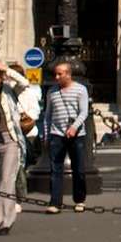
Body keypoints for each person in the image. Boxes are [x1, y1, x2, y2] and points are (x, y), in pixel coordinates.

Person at [0, 60, 36, 234]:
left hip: (10, 139)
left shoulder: (10, 90)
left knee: (6, 181)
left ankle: (4, 223)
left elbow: (25, 83)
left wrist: (7, 70)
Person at [42, 60, 91, 214]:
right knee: (55, 169)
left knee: (79, 168)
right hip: (56, 133)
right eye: (55, 74)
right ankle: (55, 202)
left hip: (76, 135)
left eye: (59, 74)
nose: (56, 77)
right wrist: (46, 134)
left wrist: (74, 127)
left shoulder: (80, 90)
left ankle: (79, 200)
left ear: (68, 74)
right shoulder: (52, 91)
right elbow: (48, 114)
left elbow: (84, 112)